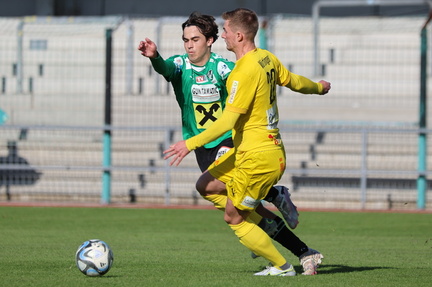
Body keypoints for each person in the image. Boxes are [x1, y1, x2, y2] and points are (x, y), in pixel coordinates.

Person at [138, 11, 321, 271]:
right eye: (185, 40)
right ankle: (301, 249)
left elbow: (243, 94)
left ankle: (277, 244)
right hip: (202, 144)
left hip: (227, 141)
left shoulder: (225, 68)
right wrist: (155, 57)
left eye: (195, 39)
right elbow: (166, 69)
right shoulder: (180, 64)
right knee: (231, 202)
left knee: (236, 212)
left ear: (210, 40)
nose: (189, 45)